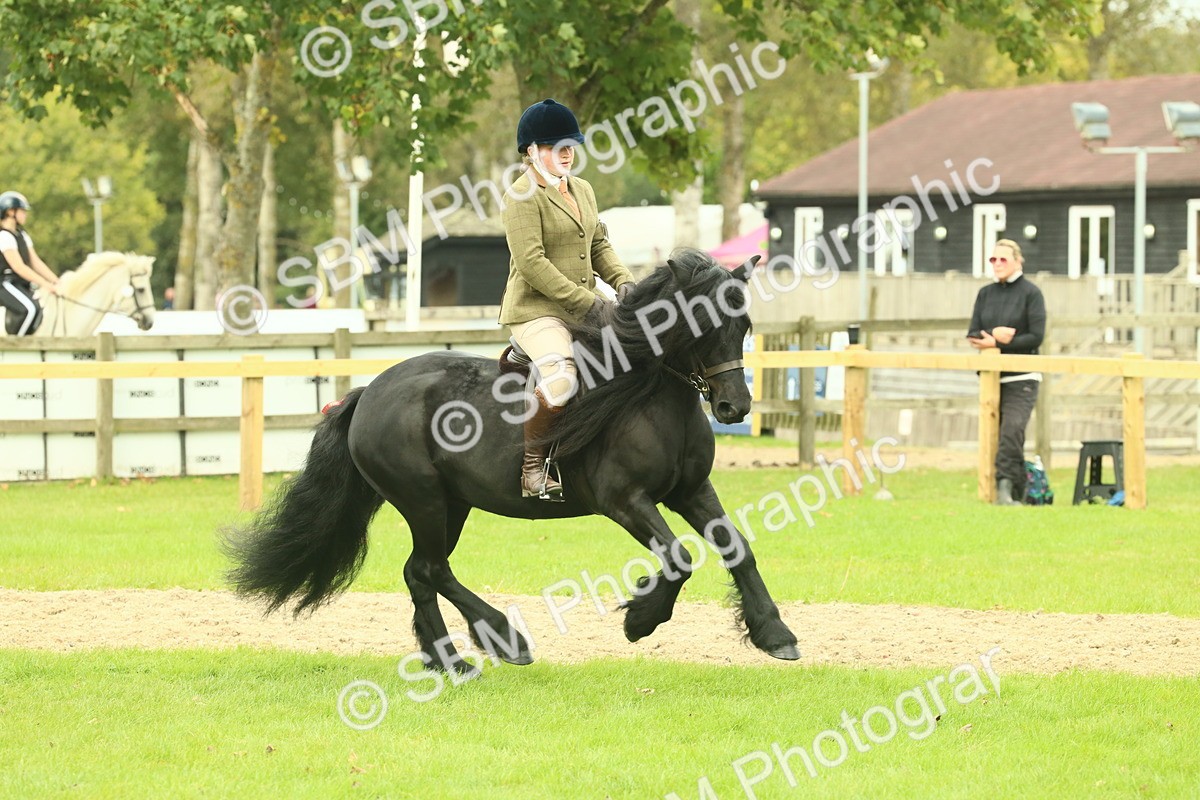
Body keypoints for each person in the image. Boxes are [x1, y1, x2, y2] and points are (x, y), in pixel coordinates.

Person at [499, 99, 636, 501]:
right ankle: (533, 469)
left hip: (583, 304)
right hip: (535, 310)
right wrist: (587, 302)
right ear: (531, 151)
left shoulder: (582, 189)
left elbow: (598, 244)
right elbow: (532, 264)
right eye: (555, 146)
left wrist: (623, 281)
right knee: (562, 378)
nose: (566, 153)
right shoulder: (521, 196)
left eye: (571, 145)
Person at [967, 238, 1047, 506]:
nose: (997, 264)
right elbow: (974, 333)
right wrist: (994, 336)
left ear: (1017, 261)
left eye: (1003, 259)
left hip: (1023, 376)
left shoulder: (1031, 293)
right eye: (994, 259)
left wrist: (1001, 342)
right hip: (991, 378)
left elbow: (1036, 336)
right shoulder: (985, 294)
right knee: (1000, 436)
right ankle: (1019, 491)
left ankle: (1004, 488)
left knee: (1012, 430)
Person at [0, 191, 60, 336]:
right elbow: (19, 267)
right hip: (5, 284)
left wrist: (56, 281)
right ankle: (14, 347)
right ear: (10, 212)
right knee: (30, 309)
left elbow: (36, 262)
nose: (25, 214)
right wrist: (45, 284)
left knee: (39, 310)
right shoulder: (4, 236)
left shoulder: (22, 235)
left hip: (20, 284)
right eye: (22, 211)